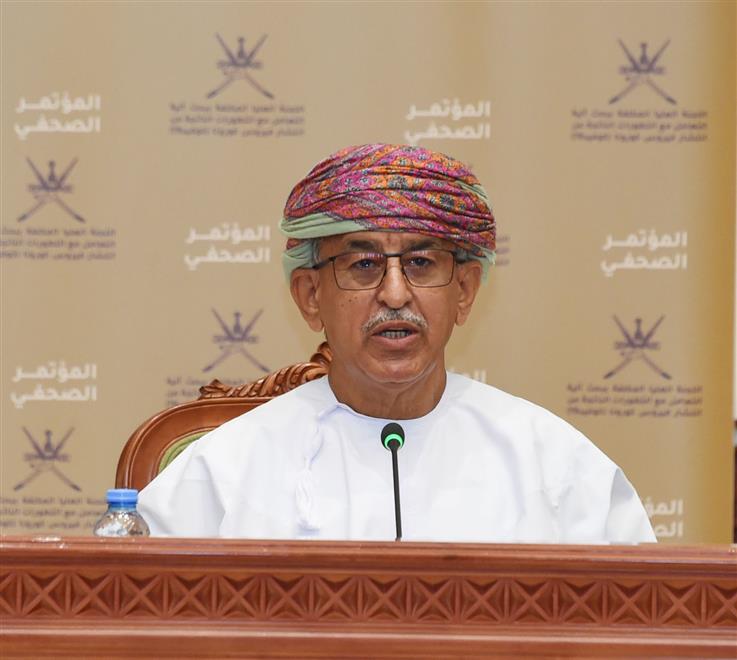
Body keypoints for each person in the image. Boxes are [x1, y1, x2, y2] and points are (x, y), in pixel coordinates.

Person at [138, 143, 655, 543]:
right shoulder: (225, 472)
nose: (394, 293)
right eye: (362, 264)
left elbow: (643, 622)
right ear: (311, 296)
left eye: (421, 263)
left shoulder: (556, 466)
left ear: (464, 291)